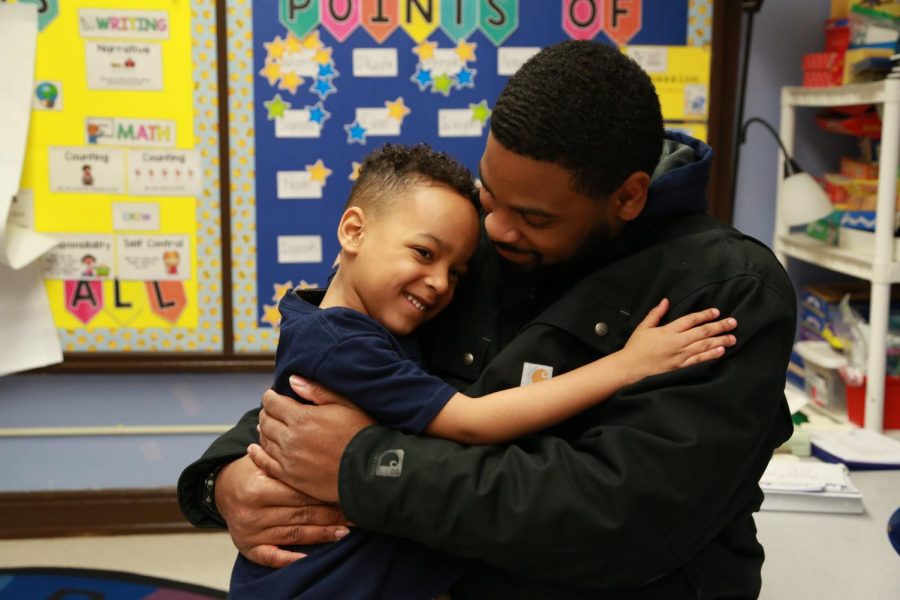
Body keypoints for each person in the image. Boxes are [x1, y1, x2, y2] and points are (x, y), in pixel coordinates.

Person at [179, 40, 796, 599]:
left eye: (533, 217)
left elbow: (620, 517)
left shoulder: (728, 292)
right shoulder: (469, 245)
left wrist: (364, 467)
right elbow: (343, 370)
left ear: (628, 196)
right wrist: (226, 480)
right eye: (488, 195)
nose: (496, 230)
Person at [228, 143, 736, 598]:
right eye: (424, 254)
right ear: (353, 230)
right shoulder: (345, 345)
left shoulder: (339, 317)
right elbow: (473, 420)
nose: (439, 284)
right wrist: (628, 364)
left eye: (457, 272)